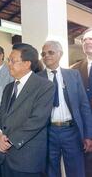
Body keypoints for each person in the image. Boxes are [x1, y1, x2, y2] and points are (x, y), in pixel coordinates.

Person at [0, 43, 54, 177]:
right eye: (8, 60)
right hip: (4, 157)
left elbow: (37, 120)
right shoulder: (9, 87)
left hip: (27, 159)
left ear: (27, 64)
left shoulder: (45, 86)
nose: (8, 63)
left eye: (12, 60)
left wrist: (9, 141)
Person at [39, 41, 92, 177]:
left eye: (51, 52)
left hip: (71, 131)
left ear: (60, 54)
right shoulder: (38, 78)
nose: (46, 56)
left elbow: (84, 106)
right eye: (43, 54)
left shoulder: (73, 75)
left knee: (76, 170)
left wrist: (88, 135)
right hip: (48, 132)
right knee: (51, 171)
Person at [71, 28, 92, 177]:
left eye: (91, 39)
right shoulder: (74, 69)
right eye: (84, 40)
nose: (87, 42)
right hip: (83, 128)